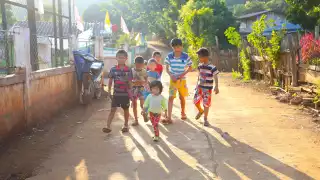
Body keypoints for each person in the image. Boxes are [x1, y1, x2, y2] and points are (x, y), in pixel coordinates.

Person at [163, 38, 193, 124]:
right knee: (171, 97)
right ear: (172, 47)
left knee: (182, 96)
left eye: (179, 46)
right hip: (173, 80)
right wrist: (171, 75)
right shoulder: (169, 56)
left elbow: (190, 67)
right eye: (175, 47)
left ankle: (183, 112)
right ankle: (169, 117)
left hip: (182, 80)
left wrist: (182, 74)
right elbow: (167, 68)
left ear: (182, 46)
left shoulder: (185, 56)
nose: (177, 48)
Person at [103, 49, 133, 133]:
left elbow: (130, 82)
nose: (121, 59)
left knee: (126, 110)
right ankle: (108, 126)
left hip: (125, 94)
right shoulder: (113, 69)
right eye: (119, 57)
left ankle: (126, 125)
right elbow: (110, 81)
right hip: (116, 93)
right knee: (113, 109)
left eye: (123, 58)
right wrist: (109, 91)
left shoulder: (129, 70)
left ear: (126, 58)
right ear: (116, 58)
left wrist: (131, 93)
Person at [193, 48, 219, 127]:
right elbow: (199, 75)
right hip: (200, 87)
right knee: (195, 101)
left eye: (199, 56)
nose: (198, 58)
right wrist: (197, 85)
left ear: (205, 57)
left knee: (206, 104)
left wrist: (216, 86)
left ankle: (205, 119)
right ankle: (201, 111)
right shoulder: (200, 66)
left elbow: (215, 76)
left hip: (207, 89)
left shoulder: (212, 67)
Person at [131, 56, 148, 126]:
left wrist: (143, 82)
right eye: (138, 64)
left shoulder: (144, 71)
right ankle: (136, 120)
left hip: (141, 89)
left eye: (141, 65)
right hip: (133, 89)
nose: (139, 66)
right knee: (134, 104)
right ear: (134, 63)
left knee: (142, 104)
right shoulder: (131, 71)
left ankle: (144, 113)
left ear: (143, 64)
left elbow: (146, 80)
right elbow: (129, 81)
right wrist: (133, 82)